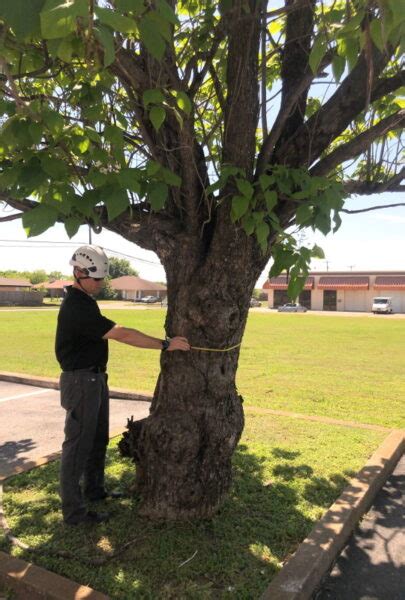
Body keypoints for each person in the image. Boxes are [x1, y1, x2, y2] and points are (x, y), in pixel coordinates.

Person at [55, 245, 190, 525]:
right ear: (78, 272)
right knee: (78, 446)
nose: (100, 284)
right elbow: (122, 334)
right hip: (81, 381)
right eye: (95, 278)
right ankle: (74, 513)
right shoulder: (76, 306)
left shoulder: (85, 301)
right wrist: (165, 345)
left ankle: (94, 491)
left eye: (102, 279)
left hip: (94, 378)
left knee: (97, 440)